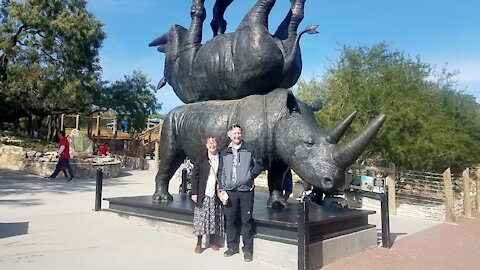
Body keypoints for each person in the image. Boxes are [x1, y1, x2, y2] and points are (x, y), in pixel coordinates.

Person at [219, 124, 263, 262]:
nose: (237, 136)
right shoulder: (225, 151)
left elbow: (260, 164)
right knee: (230, 219)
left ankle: (247, 249)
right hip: (230, 191)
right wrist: (223, 187)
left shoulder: (250, 148)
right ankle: (232, 246)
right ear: (229, 135)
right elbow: (221, 170)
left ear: (241, 134)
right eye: (234, 134)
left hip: (246, 191)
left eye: (239, 133)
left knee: (246, 220)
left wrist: (249, 176)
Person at [190, 136, 224, 254]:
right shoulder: (202, 158)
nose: (212, 145)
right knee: (201, 219)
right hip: (203, 193)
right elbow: (195, 176)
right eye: (210, 143)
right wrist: (194, 192)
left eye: (214, 143)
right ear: (206, 145)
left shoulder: (221, 158)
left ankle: (212, 241)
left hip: (215, 193)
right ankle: (199, 243)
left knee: (213, 218)